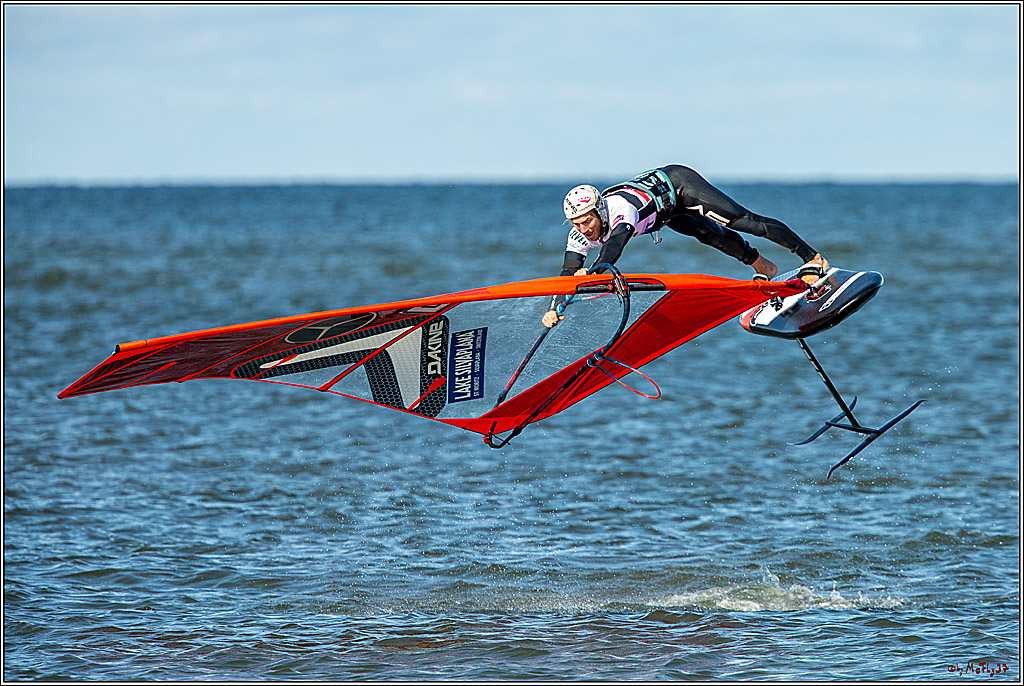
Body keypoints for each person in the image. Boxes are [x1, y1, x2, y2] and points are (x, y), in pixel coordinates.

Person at [542, 164, 828, 328]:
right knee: (710, 236)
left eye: (587, 221)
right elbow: (567, 273)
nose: (584, 229)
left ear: (600, 212)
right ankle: (765, 267)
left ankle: (813, 258)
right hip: (666, 215)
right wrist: (554, 307)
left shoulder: (620, 210)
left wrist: (593, 275)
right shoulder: (579, 234)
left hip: (679, 186)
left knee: (745, 222)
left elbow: (613, 248)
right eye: (577, 224)